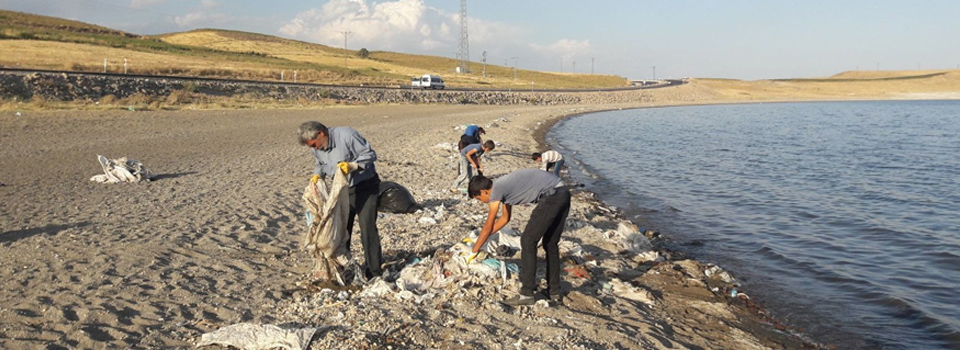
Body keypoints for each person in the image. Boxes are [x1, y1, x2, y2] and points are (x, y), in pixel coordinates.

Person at [467, 169, 571, 306]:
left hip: (551, 198)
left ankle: (526, 294)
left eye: (480, 199)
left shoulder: (497, 189)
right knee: (550, 243)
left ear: (484, 192)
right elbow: (505, 218)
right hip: (563, 193)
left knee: (527, 241)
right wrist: (484, 237)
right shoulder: (502, 186)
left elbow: (488, 224)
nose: (483, 202)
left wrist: (474, 251)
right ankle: (554, 291)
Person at [298, 121, 383, 282]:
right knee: (341, 230)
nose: (314, 148)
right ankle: (344, 269)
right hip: (343, 191)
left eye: (314, 144)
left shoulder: (347, 135)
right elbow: (320, 164)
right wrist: (317, 176)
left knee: (367, 228)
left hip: (366, 186)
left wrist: (353, 165)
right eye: (311, 147)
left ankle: (374, 271)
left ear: (320, 134)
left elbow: (370, 154)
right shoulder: (316, 148)